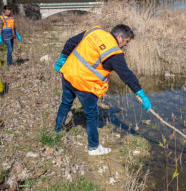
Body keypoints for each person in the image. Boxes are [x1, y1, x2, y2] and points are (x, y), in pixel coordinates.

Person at [54, 24, 152, 156]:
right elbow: (126, 75)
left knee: (65, 103)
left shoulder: (94, 31)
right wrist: (140, 93)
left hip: (68, 74)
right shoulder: (114, 52)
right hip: (85, 84)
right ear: (119, 37)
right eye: (126, 41)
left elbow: (71, 42)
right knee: (92, 114)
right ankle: (93, 148)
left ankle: (57, 130)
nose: (126, 45)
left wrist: (63, 58)